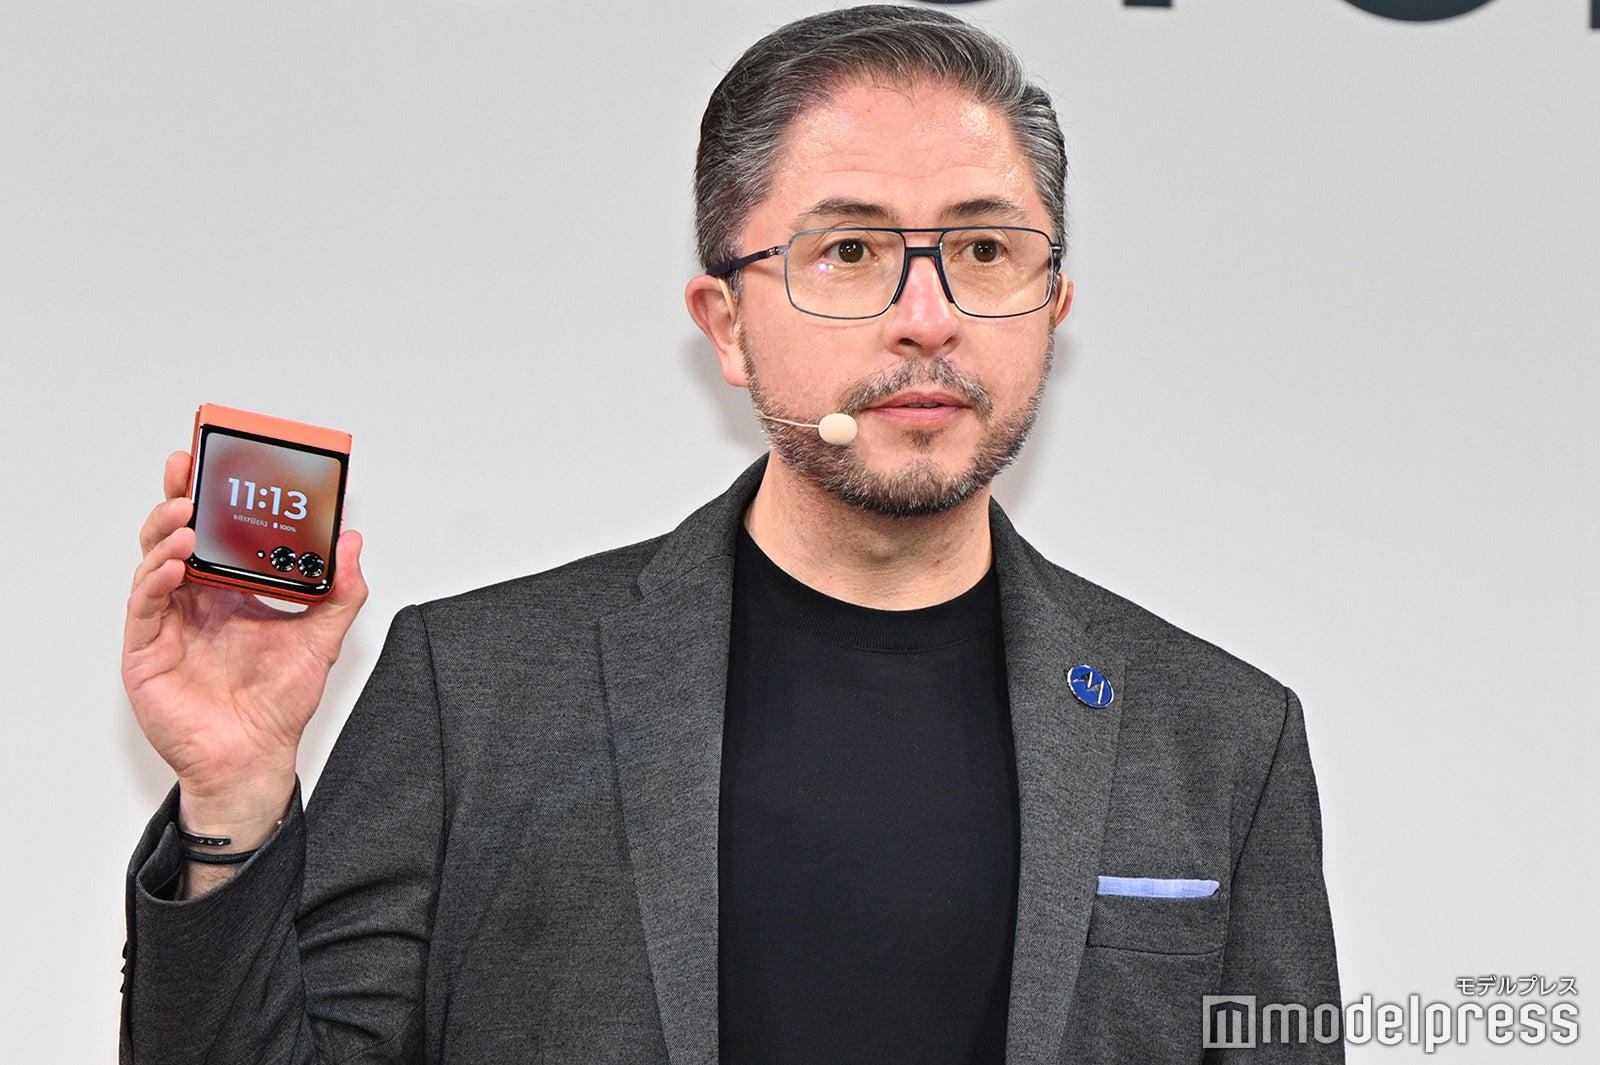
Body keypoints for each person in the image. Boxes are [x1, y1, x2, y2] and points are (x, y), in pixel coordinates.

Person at [121, 6, 1339, 1063]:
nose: (927, 318)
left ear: (1053, 306)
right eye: (850, 252)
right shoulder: (476, 691)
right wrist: (233, 794)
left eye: (982, 250)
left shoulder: (1222, 737)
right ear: (726, 325)